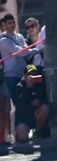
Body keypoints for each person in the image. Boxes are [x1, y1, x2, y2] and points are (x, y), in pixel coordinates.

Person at [0, 13, 30, 147]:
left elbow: (25, 51)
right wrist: (34, 49)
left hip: (21, 74)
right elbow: (21, 51)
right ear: (4, 25)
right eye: (9, 23)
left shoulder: (19, 36)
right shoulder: (3, 40)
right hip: (10, 76)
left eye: (13, 22)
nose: (12, 25)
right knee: (13, 105)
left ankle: (19, 133)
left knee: (21, 104)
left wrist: (31, 50)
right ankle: (14, 135)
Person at [11, 64, 49, 153]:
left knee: (45, 108)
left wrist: (39, 101)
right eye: (29, 74)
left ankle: (39, 130)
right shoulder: (19, 86)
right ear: (24, 75)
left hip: (35, 114)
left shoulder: (40, 84)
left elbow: (42, 100)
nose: (32, 76)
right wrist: (27, 88)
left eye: (34, 74)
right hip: (23, 117)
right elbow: (19, 104)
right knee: (22, 138)